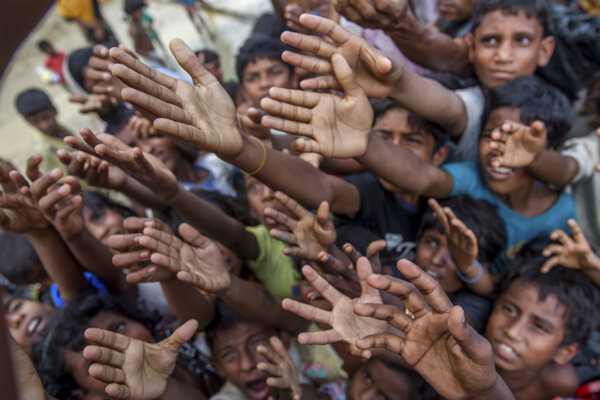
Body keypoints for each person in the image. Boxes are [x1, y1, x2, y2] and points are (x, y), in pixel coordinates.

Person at [15, 88, 74, 173]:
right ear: (28, 122)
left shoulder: (60, 129)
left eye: (46, 117)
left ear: (55, 111)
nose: (45, 125)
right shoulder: (44, 151)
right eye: (36, 121)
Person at [124, 0, 166, 66]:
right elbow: (137, 49)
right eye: (139, 11)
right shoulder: (135, 29)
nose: (141, 13)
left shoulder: (138, 23)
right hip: (151, 57)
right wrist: (155, 58)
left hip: (152, 52)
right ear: (133, 13)